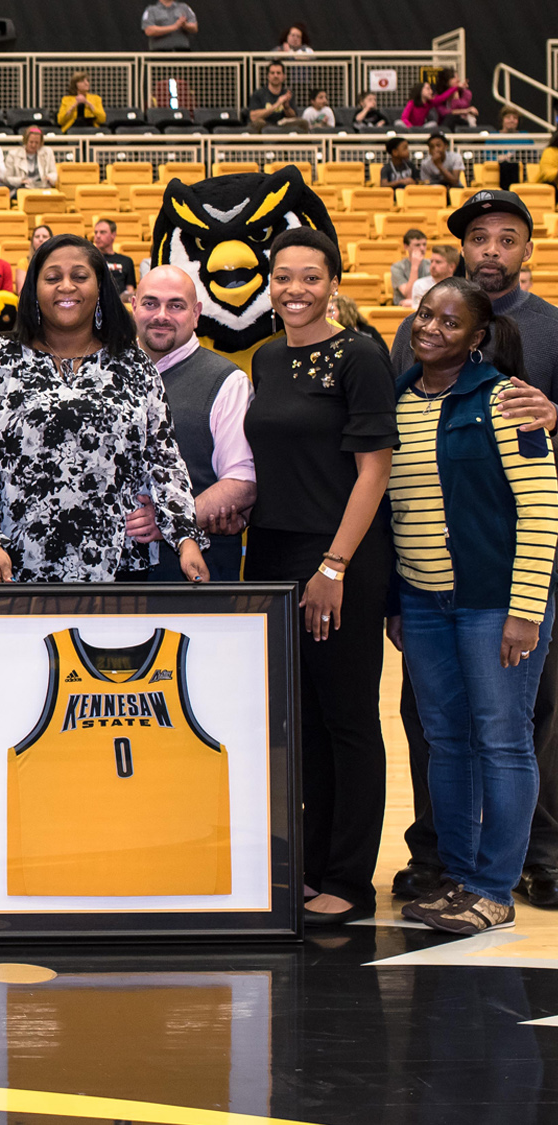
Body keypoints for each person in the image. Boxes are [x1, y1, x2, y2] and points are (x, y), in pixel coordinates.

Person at [387, 188, 558, 909]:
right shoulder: (401, 397)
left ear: (478, 336)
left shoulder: (509, 398)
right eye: (425, 314)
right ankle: (455, 873)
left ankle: (494, 884)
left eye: (448, 321)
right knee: (445, 740)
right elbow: (395, 506)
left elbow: (543, 506)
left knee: (505, 738)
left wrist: (525, 609)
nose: (430, 328)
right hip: (424, 604)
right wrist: (397, 600)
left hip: (495, 601)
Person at [243, 227, 398, 925]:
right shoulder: (267, 357)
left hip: (339, 556)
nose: (295, 290)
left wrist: (333, 565)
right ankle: (307, 865)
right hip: (271, 555)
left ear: (334, 282)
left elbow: (375, 470)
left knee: (348, 718)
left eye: (310, 277)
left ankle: (350, 878)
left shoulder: (361, 355)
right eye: (283, 277)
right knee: (297, 721)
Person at [0, 233, 206, 583]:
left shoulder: (133, 364)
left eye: (79, 276)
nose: (66, 287)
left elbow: (163, 459)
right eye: (52, 277)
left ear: (99, 288)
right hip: (16, 563)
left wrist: (185, 538)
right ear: (33, 289)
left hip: (119, 566)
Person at [133, 267, 256, 582]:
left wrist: (170, 521)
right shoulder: (103, 375)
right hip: (110, 582)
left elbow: (243, 483)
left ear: (196, 313)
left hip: (195, 579)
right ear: (133, 305)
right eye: (150, 304)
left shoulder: (227, 381)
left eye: (175, 305)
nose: (161, 315)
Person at [248, 61, 298, 132]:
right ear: (268, 76)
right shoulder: (258, 94)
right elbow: (253, 117)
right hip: (265, 125)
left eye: (278, 73)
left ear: (284, 76)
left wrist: (287, 107)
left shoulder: (288, 94)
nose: (275, 76)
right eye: (272, 73)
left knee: (303, 122)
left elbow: (293, 117)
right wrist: (276, 105)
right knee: (258, 123)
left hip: (283, 126)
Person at [92, 219, 137, 295]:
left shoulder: (126, 261)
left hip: (121, 302)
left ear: (113, 235)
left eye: (102, 232)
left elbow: (130, 290)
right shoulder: (91, 260)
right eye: (96, 232)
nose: (98, 236)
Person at [389, 228, 430, 305]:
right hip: (402, 311)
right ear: (406, 246)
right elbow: (410, 295)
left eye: (424, 244)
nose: (422, 248)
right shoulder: (397, 267)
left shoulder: (431, 265)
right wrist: (415, 266)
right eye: (417, 245)